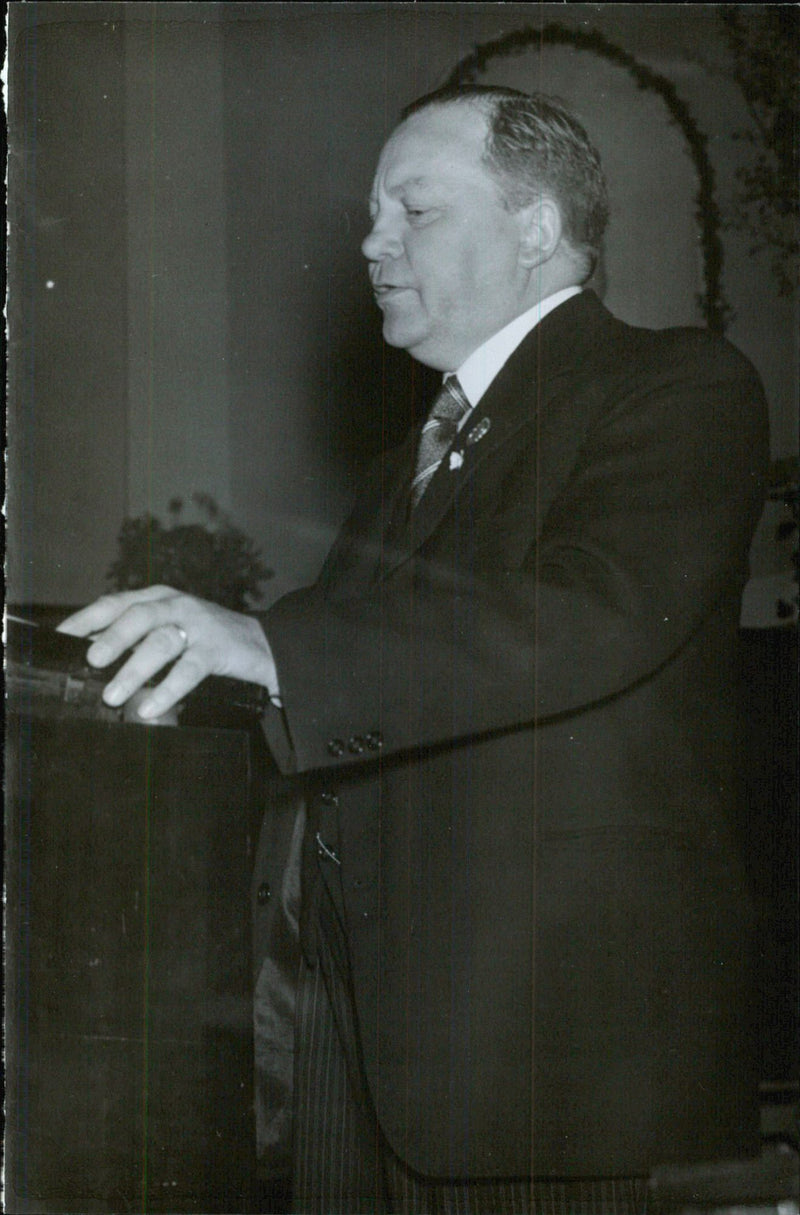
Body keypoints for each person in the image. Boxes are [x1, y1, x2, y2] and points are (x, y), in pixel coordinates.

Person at [59, 85, 770, 1212]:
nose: (369, 242)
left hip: (531, 1055)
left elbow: (591, 610)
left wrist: (266, 644)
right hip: (366, 1038)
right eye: (370, 214)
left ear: (534, 229)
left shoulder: (674, 386)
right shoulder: (412, 460)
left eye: (413, 210)